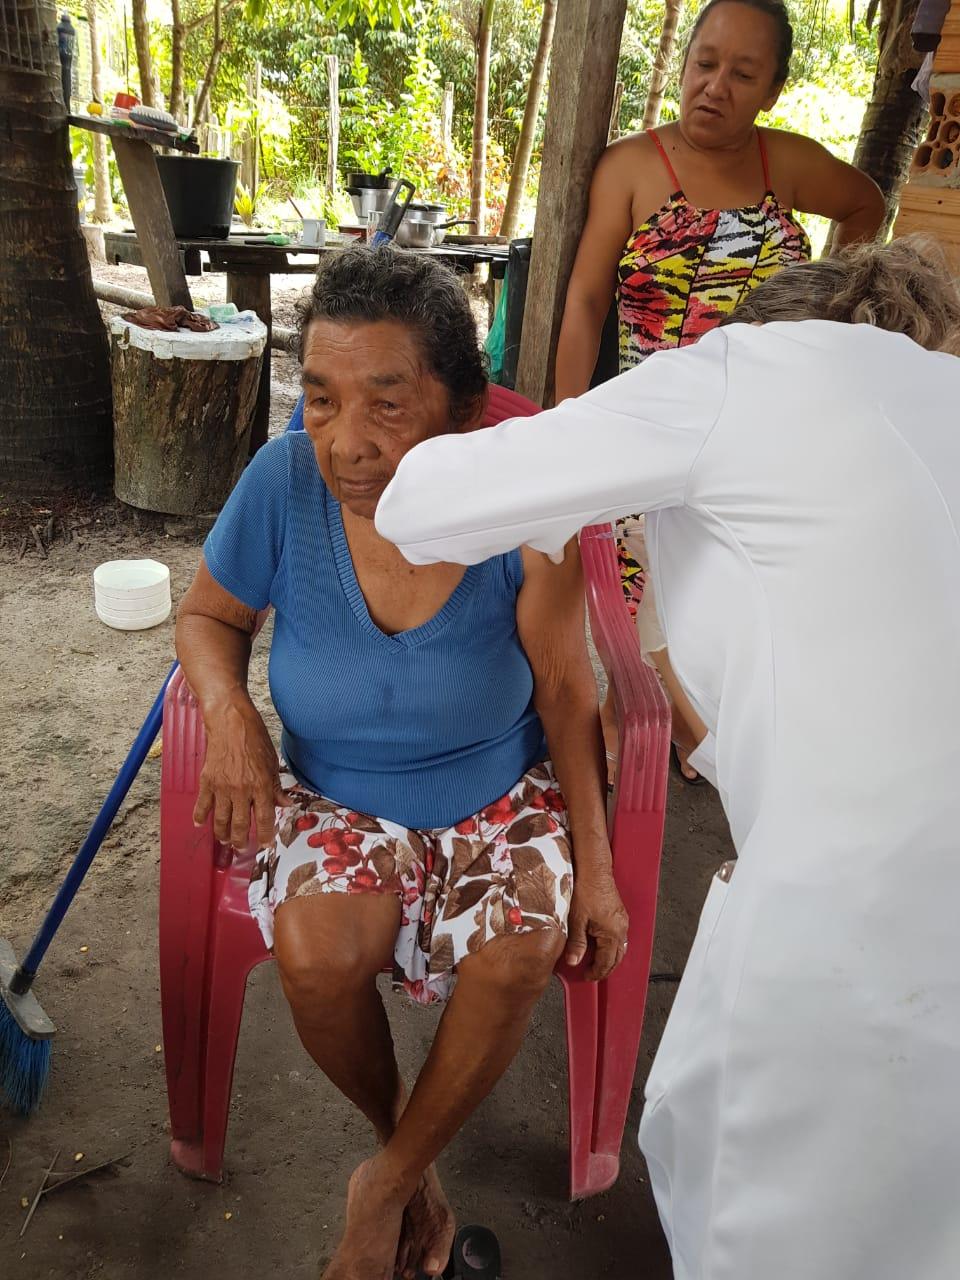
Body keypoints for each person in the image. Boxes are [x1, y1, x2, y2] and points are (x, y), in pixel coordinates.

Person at [375, 237, 960, 1280]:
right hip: (891, 925)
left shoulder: (749, 372)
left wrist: (551, 453)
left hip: (863, 943)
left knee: (775, 1225)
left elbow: (422, 504)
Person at [175, 247, 627, 1280]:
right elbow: (208, 614)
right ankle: (410, 1165)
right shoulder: (281, 480)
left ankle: (377, 1187)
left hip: (497, 792)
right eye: (322, 399)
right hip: (338, 792)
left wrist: (593, 868)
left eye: (387, 404)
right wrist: (229, 708)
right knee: (317, 955)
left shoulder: (521, 508)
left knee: (521, 943)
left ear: (463, 408)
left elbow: (566, 686)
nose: (346, 442)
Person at [555, 0, 885, 783]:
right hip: (651, 416)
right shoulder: (633, 168)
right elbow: (585, 303)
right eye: (704, 64)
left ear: (772, 88)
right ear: (683, 64)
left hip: (760, 426)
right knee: (635, 568)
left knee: (731, 576)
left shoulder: (785, 164)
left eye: (743, 74)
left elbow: (865, 204)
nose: (716, 87)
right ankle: (639, 711)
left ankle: (680, 717)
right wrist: (569, 424)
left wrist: (826, 305)